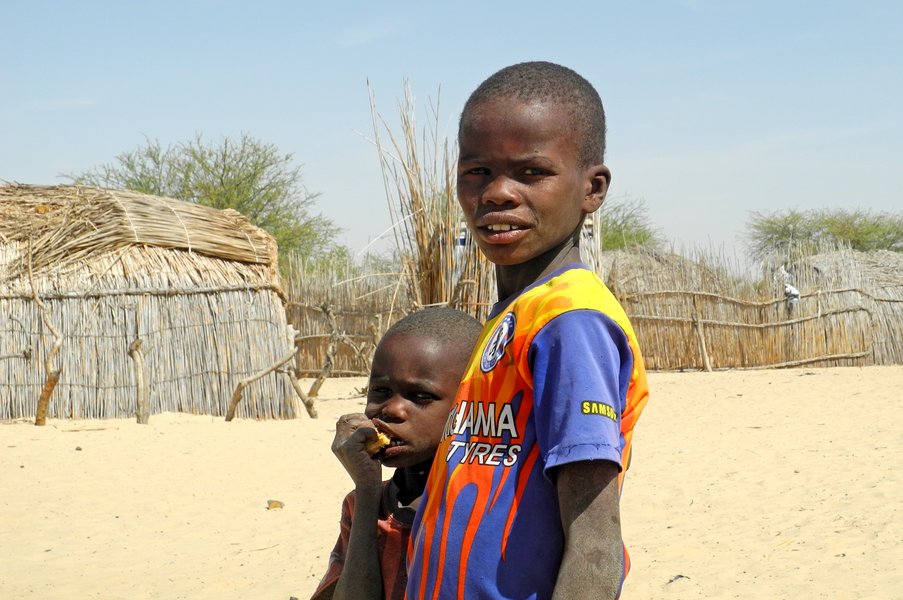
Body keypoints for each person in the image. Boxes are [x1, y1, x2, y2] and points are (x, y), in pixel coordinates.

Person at [406, 61, 650, 600]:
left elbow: (594, 537)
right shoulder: (515, 315)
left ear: (592, 188)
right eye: (476, 171)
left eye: (532, 173)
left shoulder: (570, 321)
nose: (497, 193)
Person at [310, 307, 482, 600]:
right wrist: (366, 490)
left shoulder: (484, 509)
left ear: (467, 405)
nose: (390, 409)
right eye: (380, 391)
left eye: (421, 396)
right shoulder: (364, 504)